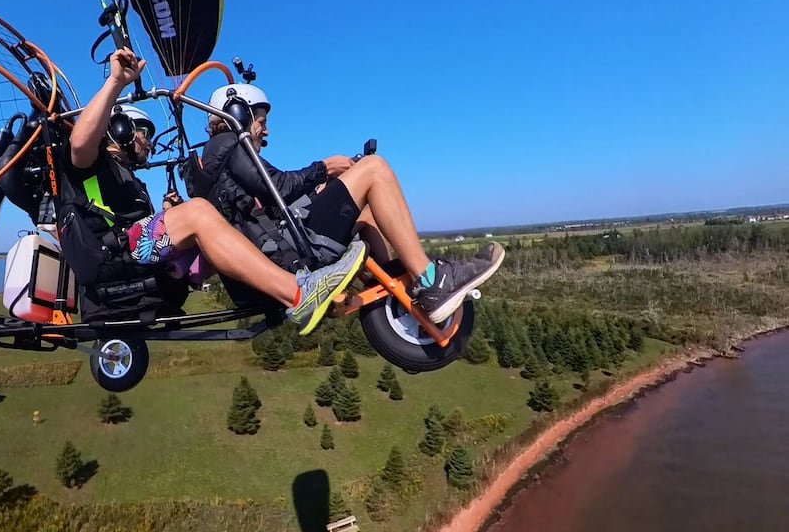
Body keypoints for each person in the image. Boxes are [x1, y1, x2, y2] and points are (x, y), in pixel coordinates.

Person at [57, 47, 369, 335]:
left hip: (128, 251)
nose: (149, 142)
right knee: (199, 212)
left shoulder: (129, 180)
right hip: (110, 255)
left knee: (217, 223)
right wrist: (116, 83)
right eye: (143, 133)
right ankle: (300, 292)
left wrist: (168, 216)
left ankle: (284, 274)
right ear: (120, 129)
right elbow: (80, 142)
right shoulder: (91, 161)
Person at [199, 82, 505, 324]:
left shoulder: (213, 162)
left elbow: (263, 207)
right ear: (237, 114)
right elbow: (276, 187)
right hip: (288, 253)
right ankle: (430, 280)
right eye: (261, 122)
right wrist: (324, 168)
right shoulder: (226, 145)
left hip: (278, 248)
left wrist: (321, 188)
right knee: (374, 170)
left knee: (367, 209)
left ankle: (395, 289)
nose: (265, 131)